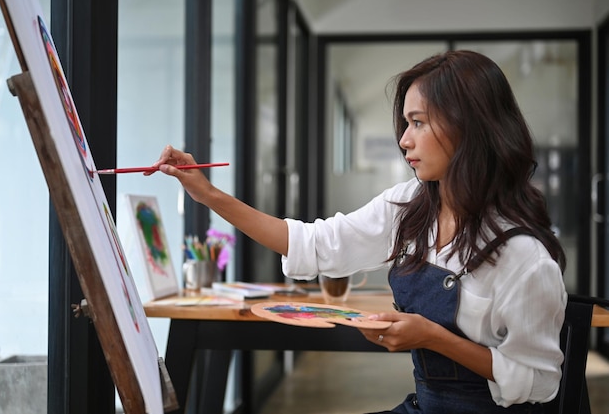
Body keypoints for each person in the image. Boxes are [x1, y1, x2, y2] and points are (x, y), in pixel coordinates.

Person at [148, 50, 567, 413]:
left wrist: (435, 338)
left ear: (468, 126)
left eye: (418, 123)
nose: (404, 140)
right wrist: (207, 195)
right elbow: (314, 244)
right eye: (405, 123)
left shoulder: (524, 257)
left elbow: (541, 383)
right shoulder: (410, 205)